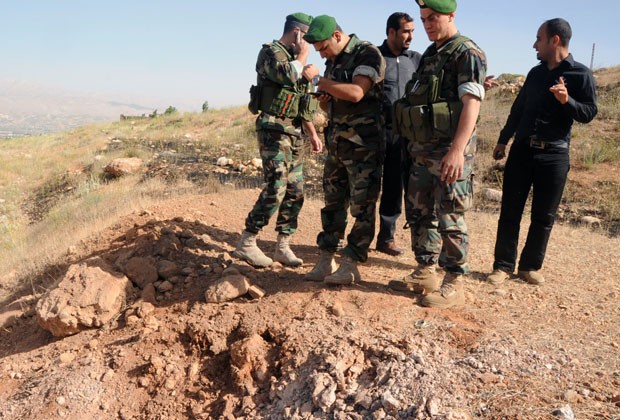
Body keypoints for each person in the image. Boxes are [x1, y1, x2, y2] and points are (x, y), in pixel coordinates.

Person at [389, 0, 487, 308]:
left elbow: (472, 103)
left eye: (433, 18)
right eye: (424, 19)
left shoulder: (467, 52)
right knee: (420, 212)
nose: (428, 24)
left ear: (451, 16)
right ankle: (425, 270)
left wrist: (458, 150)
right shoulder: (431, 53)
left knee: (450, 215)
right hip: (422, 151)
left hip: (449, 152)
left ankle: (453, 281)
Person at [487, 18, 597, 286]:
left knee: (543, 216)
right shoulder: (535, 73)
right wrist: (503, 140)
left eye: (539, 38)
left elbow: (589, 112)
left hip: (555, 156)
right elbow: (519, 108)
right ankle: (502, 266)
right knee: (510, 212)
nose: (534, 44)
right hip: (523, 151)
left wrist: (566, 101)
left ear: (554, 40)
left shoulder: (581, 75)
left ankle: (529, 267)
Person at [301, 15, 386, 285]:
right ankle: (327, 258)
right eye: (319, 51)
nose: (323, 54)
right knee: (333, 204)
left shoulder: (367, 54)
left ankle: (351, 263)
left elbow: (356, 93)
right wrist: (325, 102)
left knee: (362, 207)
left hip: (364, 147)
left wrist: (322, 83)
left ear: (337, 36)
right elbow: (335, 106)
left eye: (324, 47)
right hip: (338, 144)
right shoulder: (333, 61)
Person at [233, 13, 323, 268]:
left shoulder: (297, 61)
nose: (310, 44)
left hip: (294, 134)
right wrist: (302, 60)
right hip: (273, 129)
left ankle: (283, 246)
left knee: (296, 191)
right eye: (307, 37)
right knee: (276, 186)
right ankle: (247, 242)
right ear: (296, 32)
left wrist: (313, 133)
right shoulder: (271, 53)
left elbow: (301, 103)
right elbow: (284, 75)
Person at [376, 12, 422, 257]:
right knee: (374, 187)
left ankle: (392, 239)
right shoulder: (375, 57)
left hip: (408, 136)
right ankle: (360, 239)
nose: (411, 37)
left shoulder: (415, 59)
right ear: (391, 32)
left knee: (406, 187)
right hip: (378, 134)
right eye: (406, 31)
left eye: (413, 31)